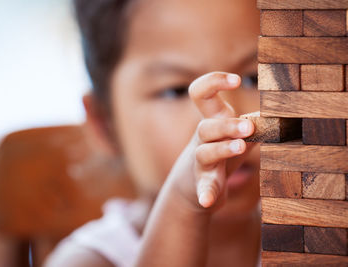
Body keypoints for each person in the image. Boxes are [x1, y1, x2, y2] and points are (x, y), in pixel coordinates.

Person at [44, 0, 261, 266]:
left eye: (254, 78)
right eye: (176, 90)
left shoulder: (310, 229)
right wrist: (182, 205)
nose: (229, 116)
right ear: (104, 123)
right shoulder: (85, 261)